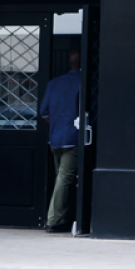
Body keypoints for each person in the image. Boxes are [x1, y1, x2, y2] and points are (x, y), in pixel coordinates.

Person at [38, 50, 81, 233]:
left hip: (55, 137)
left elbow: (44, 113)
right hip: (74, 137)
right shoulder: (82, 82)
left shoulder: (54, 83)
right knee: (65, 179)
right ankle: (54, 219)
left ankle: (63, 217)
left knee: (61, 179)